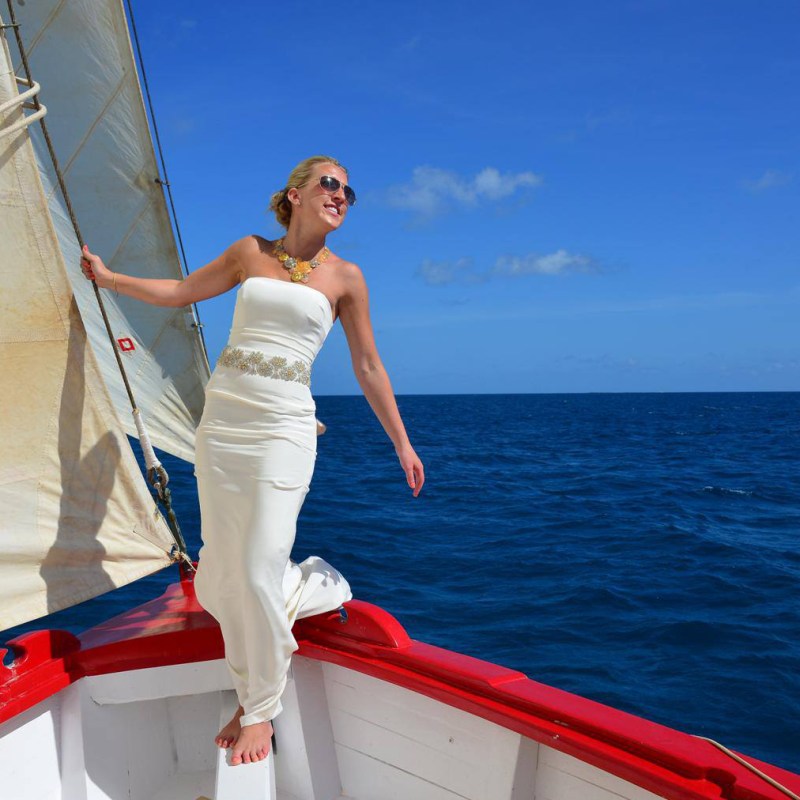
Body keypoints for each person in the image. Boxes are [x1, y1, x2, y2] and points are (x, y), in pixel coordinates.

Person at [80, 155, 425, 766]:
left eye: (349, 190)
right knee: (224, 572)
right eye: (329, 183)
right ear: (295, 194)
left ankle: (261, 707)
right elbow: (184, 292)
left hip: (285, 430)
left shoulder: (347, 278)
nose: (341, 195)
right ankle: (295, 602)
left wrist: (401, 441)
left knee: (260, 560)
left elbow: (368, 366)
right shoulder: (250, 252)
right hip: (225, 427)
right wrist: (111, 281)